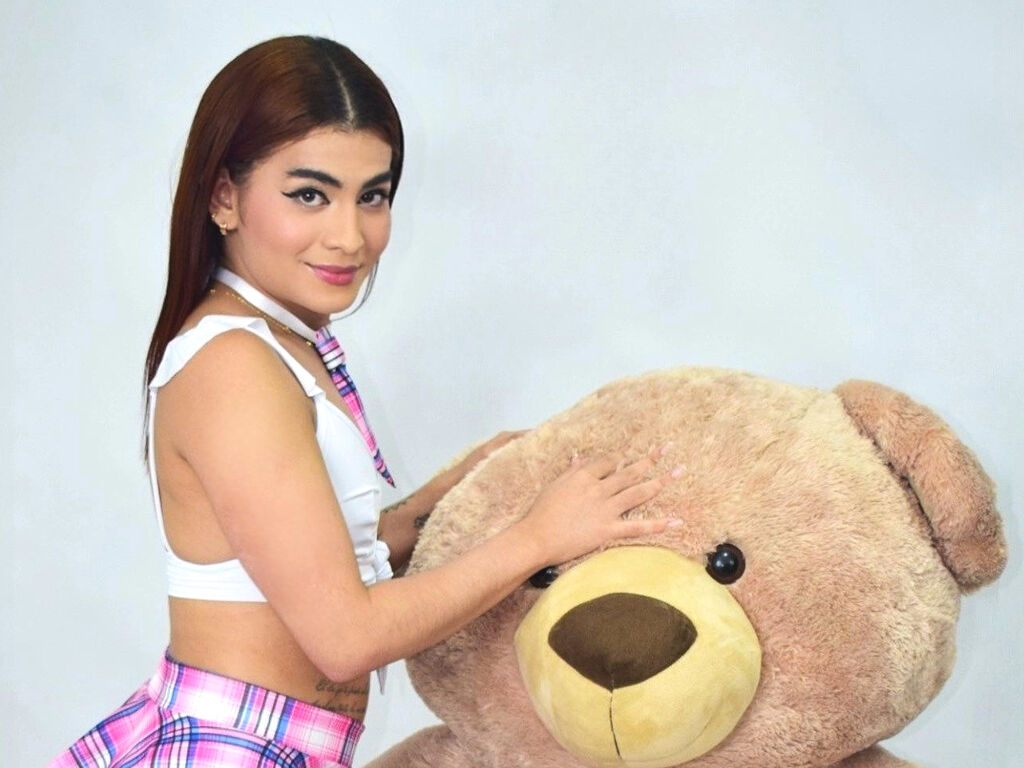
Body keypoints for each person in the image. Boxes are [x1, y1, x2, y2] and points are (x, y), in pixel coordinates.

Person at [49, 35, 680, 768]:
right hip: (235, 747)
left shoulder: (276, 343)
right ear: (224, 196)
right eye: (309, 195)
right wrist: (537, 538)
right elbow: (344, 637)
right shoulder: (232, 365)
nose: (349, 237)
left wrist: (447, 494)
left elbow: (315, 561)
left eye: (372, 196)